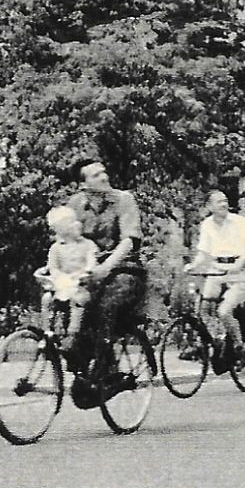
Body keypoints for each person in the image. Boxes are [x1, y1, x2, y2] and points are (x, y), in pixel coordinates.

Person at [64, 158, 147, 391]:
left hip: (125, 270)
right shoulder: (75, 205)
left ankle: (104, 371)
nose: (104, 177)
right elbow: (66, 240)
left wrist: (106, 267)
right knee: (65, 301)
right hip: (89, 269)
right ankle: (81, 362)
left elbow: (129, 241)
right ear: (83, 185)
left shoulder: (124, 200)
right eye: (95, 175)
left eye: (104, 172)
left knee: (105, 305)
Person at [191, 190, 245, 365]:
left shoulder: (238, 222)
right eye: (218, 202)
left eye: (225, 201)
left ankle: (240, 346)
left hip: (237, 271)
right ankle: (213, 340)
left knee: (224, 311)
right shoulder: (207, 225)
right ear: (209, 206)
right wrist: (193, 266)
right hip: (216, 269)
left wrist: (239, 264)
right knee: (202, 308)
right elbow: (203, 253)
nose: (223, 204)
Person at [41, 206, 98, 352]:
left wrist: (87, 271)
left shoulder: (88, 245)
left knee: (78, 299)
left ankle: (72, 336)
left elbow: (92, 260)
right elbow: (52, 267)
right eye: (69, 223)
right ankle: (47, 333)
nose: (75, 225)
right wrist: (55, 275)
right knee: (47, 298)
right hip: (62, 284)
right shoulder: (55, 248)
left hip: (81, 284)